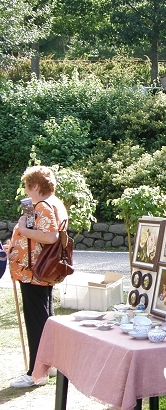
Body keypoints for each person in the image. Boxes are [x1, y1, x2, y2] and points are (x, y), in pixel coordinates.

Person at [7, 166, 68, 388]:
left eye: (26, 186)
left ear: (35, 186)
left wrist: (22, 232)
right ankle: (47, 366)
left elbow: (50, 236)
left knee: (36, 322)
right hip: (43, 270)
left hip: (33, 272)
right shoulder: (56, 203)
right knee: (45, 319)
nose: (26, 191)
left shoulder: (42, 205)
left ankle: (36, 373)